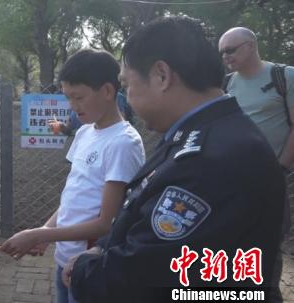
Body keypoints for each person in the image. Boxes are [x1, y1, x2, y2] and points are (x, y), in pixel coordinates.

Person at [62, 16, 285, 303]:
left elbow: (143, 273)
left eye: (127, 84)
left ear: (161, 76)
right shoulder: (199, 133)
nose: (127, 98)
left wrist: (83, 270)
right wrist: (101, 247)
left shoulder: (212, 159)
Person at [0, 49, 145, 303]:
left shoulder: (123, 143)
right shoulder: (84, 133)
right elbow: (74, 195)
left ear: (108, 91)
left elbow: (104, 224)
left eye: (79, 97)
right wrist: (46, 229)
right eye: (68, 97)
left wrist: (38, 235)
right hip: (64, 260)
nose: (72, 106)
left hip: (91, 264)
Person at [219, 26, 294, 303]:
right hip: (230, 183)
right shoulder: (225, 84)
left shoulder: (284, 77)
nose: (225, 56)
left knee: (267, 247)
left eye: (230, 49)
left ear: (250, 45)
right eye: (222, 52)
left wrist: (280, 169)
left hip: (269, 181)